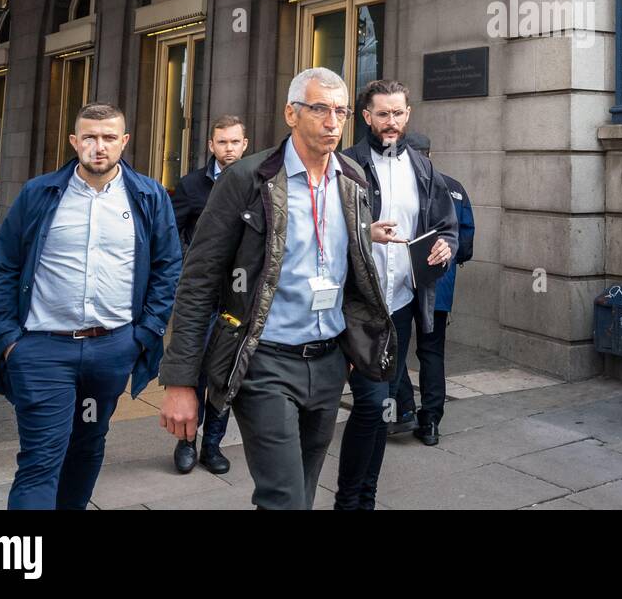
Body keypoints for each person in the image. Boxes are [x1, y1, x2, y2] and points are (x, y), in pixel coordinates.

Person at [159, 68, 410, 510]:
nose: (332, 121)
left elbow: (355, 272)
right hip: (264, 360)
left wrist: (355, 346)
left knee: (303, 489)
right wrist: (180, 380)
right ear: (291, 114)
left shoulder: (352, 179)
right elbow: (198, 280)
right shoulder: (248, 179)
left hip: (329, 361)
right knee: (285, 498)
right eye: (319, 109)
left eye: (341, 111)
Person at [0, 103, 181, 510]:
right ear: (74, 141)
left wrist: (145, 335)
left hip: (111, 351)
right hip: (42, 352)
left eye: (109, 137)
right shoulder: (40, 193)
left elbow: (167, 266)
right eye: (89, 137)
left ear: (124, 142)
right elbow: (3, 264)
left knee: (88, 445)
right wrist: (6, 338)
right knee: (41, 459)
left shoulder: (148, 196)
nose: (99, 146)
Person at [333, 81, 458, 509]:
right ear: (366, 117)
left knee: (380, 406)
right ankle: (350, 501)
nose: (392, 122)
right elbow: (321, 234)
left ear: (408, 115)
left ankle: (363, 498)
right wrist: (364, 234)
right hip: (356, 307)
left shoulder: (424, 170)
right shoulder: (345, 165)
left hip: (401, 305)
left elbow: (447, 226)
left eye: (399, 114)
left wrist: (446, 246)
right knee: (371, 403)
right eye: (383, 114)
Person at [167, 114, 250, 475]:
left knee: (224, 375)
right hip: (201, 297)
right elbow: (171, 232)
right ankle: (186, 441)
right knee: (193, 370)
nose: (228, 149)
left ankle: (212, 444)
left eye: (235, 142)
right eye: (222, 142)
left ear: (244, 144)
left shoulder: (257, 183)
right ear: (211, 146)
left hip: (237, 299)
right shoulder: (190, 186)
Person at [399, 133, 474, 432]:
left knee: (394, 347)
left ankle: (403, 409)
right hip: (439, 281)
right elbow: (465, 238)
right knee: (432, 350)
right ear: (430, 153)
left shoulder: (400, 186)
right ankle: (430, 421)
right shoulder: (454, 187)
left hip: (403, 281)